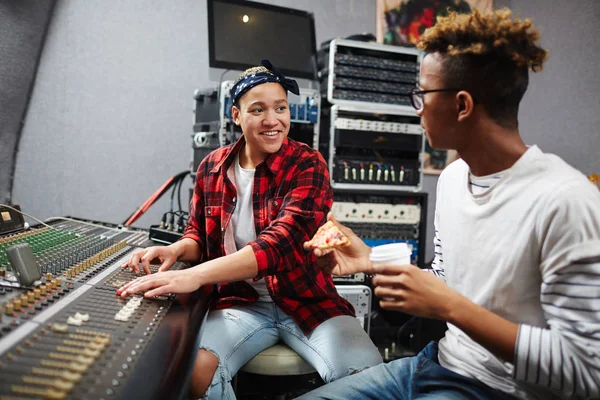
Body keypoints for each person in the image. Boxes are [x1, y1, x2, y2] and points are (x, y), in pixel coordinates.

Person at [299, 8, 600, 400]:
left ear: (462, 105)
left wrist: (452, 308)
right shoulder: (455, 178)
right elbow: (448, 281)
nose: (418, 107)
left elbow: (588, 371)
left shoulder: (567, 202)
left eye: (422, 94)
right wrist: (369, 263)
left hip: (498, 391)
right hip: (434, 364)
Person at [118, 60, 382, 399]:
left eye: (281, 108)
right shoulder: (211, 166)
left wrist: (197, 276)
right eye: (257, 110)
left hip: (308, 302)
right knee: (196, 374)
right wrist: (176, 250)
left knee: (371, 381)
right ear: (236, 115)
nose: (272, 120)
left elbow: (279, 245)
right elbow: (198, 234)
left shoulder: (308, 164)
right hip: (239, 304)